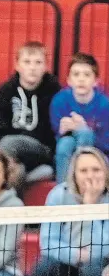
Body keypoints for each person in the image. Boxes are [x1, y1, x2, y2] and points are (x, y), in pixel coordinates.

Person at [17, 146, 109, 276]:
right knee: (43, 266)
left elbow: (105, 247)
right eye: (84, 171)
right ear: (74, 174)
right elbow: (48, 243)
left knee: (93, 266)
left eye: (96, 170)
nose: (90, 176)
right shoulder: (59, 195)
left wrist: (90, 207)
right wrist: (75, 255)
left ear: (105, 172)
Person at [0, 41, 61, 192]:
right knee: (18, 171)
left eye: (38, 62)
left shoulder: (55, 93)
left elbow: (51, 134)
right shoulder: (4, 93)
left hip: (41, 149)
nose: (32, 67)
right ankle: (12, 207)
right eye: (27, 62)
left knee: (10, 142)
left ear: (45, 67)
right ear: (17, 65)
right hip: (11, 155)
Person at [50, 53, 109, 183]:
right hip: (67, 151)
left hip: (99, 155)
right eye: (76, 74)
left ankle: (81, 183)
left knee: (85, 133)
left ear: (96, 81)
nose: (81, 79)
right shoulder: (59, 100)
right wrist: (63, 130)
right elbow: (56, 135)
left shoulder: (105, 104)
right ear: (69, 80)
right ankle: (64, 188)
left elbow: (106, 144)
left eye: (87, 75)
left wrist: (83, 128)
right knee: (64, 144)